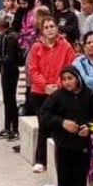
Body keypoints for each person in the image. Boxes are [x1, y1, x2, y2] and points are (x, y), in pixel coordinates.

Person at [40, 66, 93, 186]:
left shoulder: (88, 95)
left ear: (77, 78)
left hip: (83, 146)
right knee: (65, 181)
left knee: (80, 183)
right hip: (64, 146)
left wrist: (89, 128)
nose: (67, 82)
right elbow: (44, 114)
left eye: (70, 78)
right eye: (64, 79)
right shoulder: (58, 96)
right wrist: (62, 123)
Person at [28, 17, 76, 173]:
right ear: (42, 30)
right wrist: (45, 85)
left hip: (60, 91)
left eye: (52, 26)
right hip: (40, 92)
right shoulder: (36, 47)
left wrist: (58, 85)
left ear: (57, 28)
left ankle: (59, 160)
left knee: (59, 126)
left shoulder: (67, 47)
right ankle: (40, 160)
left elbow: (70, 67)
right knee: (44, 125)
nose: (49, 29)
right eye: (46, 27)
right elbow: (33, 69)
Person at [0, 17, 21, 141]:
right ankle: (7, 127)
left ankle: (14, 129)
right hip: (5, 72)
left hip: (10, 72)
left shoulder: (9, 38)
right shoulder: (3, 37)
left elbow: (10, 58)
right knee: (7, 101)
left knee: (11, 101)